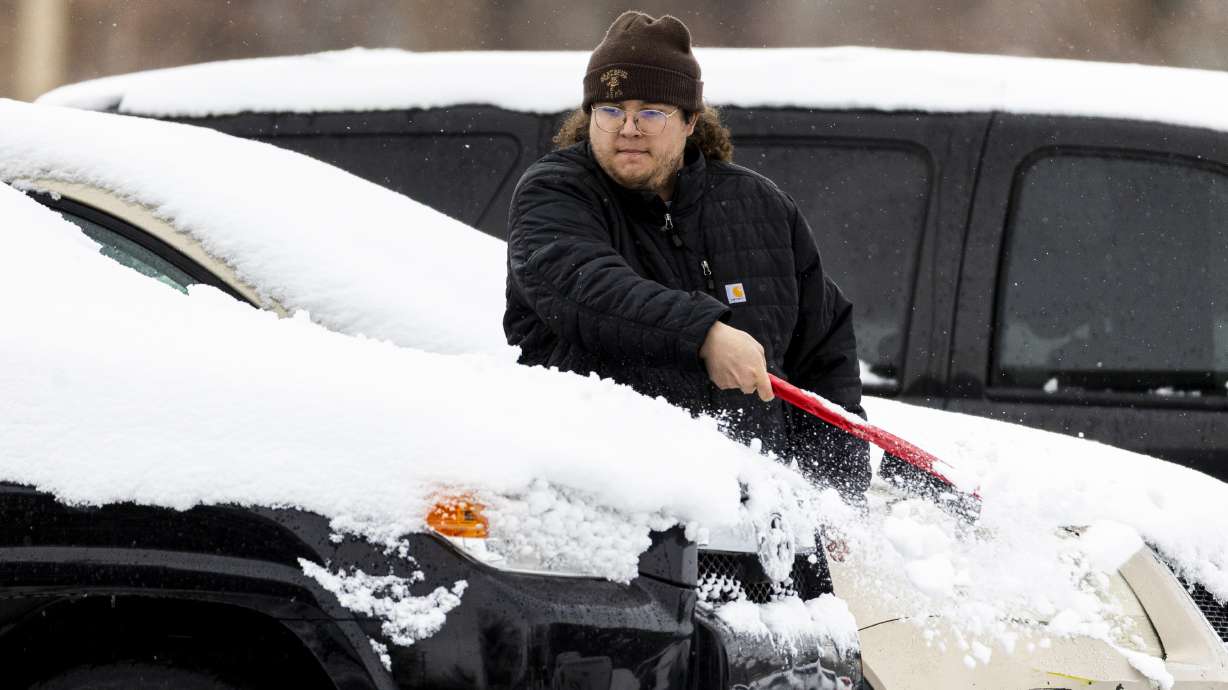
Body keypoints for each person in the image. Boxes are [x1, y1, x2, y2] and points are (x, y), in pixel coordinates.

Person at [504, 11, 870, 499]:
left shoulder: (759, 205)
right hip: (615, 508)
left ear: (690, 120)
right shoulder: (555, 191)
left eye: (651, 112)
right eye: (611, 110)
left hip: (758, 515)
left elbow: (823, 354)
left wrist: (838, 494)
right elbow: (584, 286)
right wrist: (705, 334)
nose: (629, 128)